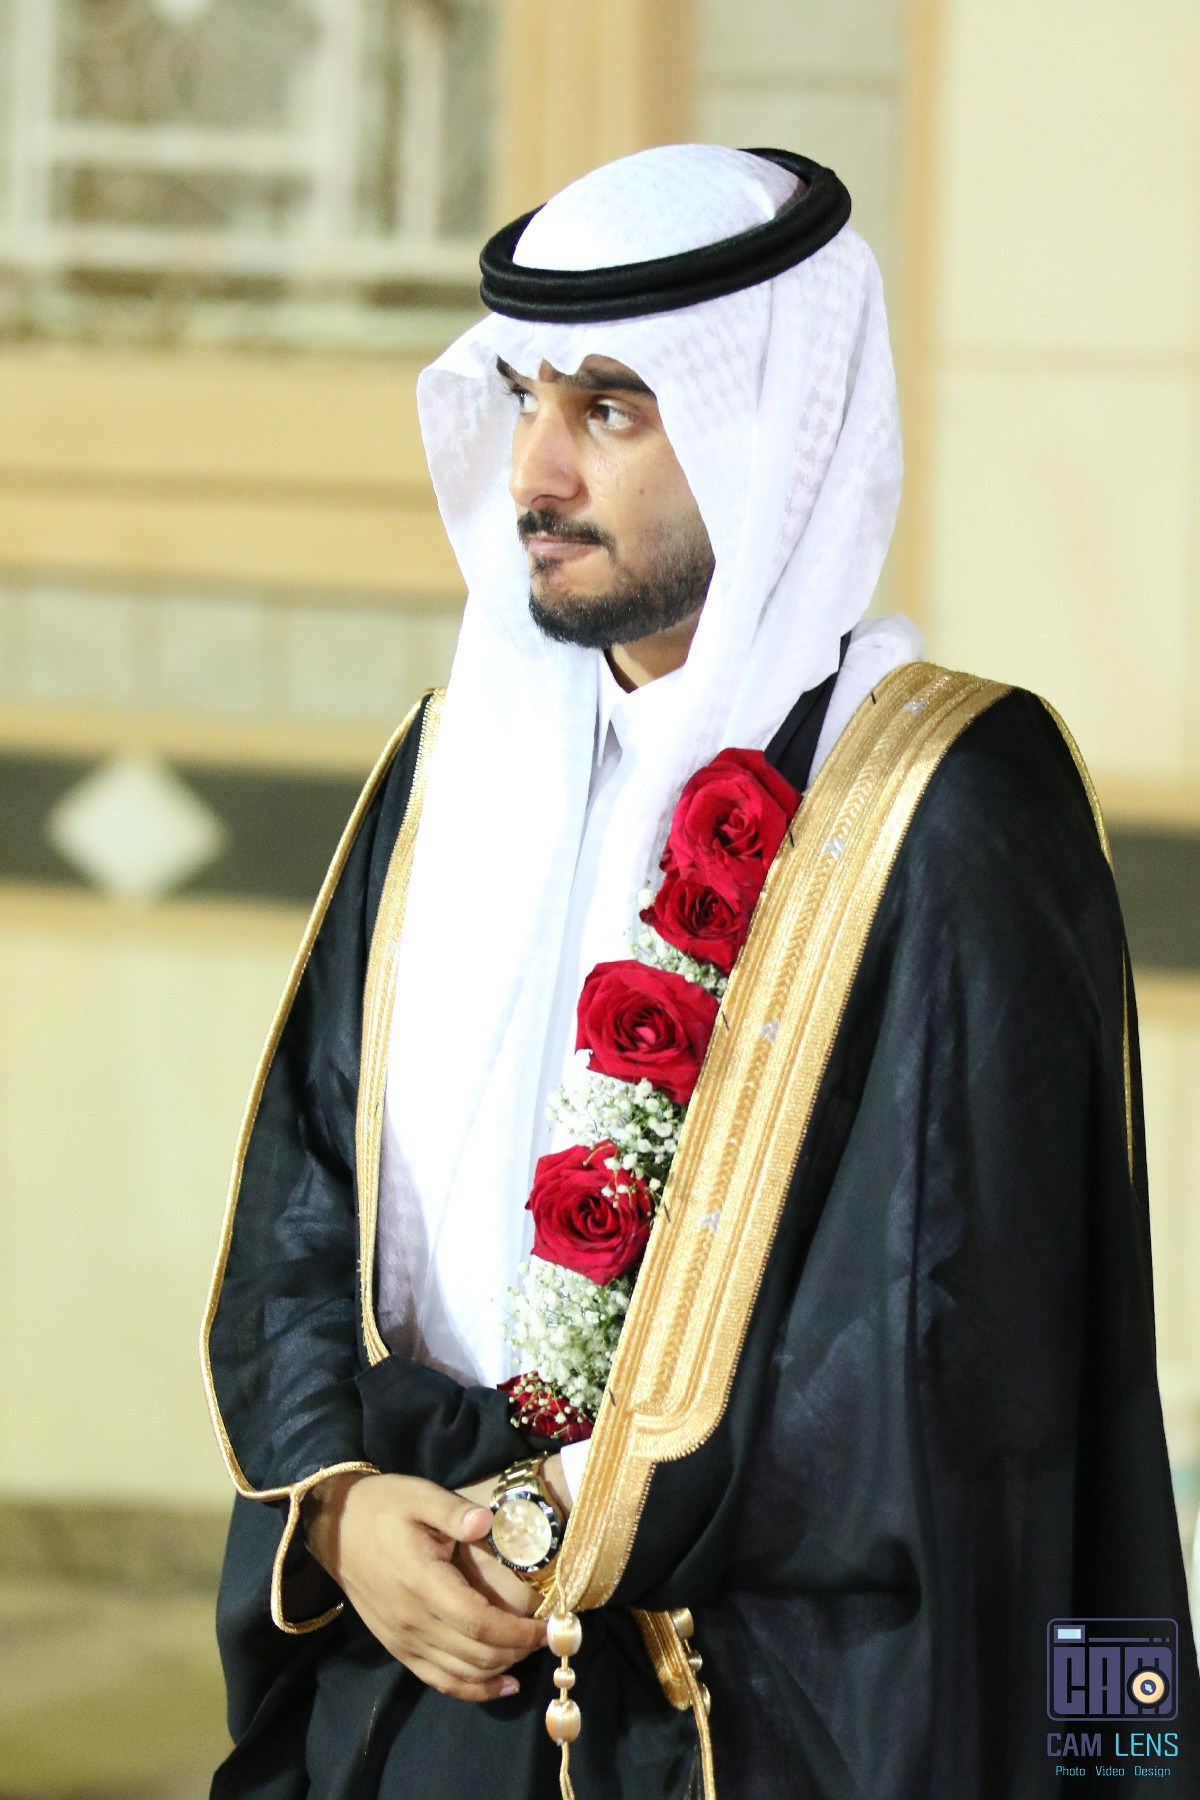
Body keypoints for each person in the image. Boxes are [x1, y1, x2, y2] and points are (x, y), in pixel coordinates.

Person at [201, 145, 1199, 1799]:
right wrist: (344, 1507)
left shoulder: (948, 810)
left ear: (768, 433)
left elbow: (957, 1361)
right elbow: (303, 1194)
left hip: (758, 1723)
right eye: (524, 397)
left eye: (611, 409)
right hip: (411, 1691)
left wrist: (571, 1520)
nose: (535, 469)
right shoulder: (445, 777)